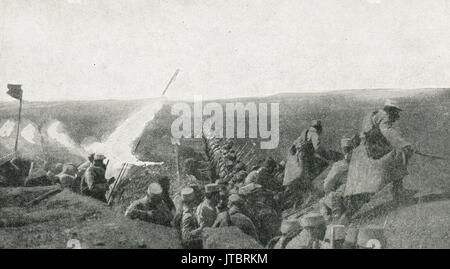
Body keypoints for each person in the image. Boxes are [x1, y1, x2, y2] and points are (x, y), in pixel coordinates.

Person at [344, 99, 415, 214]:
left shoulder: (373, 114)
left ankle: (398, 189)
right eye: (395, 111)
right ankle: (397, 191)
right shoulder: (384, 117)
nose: (396, 115)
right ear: (390, 110)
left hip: (363, 151)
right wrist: (405, 145)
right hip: (372, 151)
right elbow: (388, 132)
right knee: (401, 155)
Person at [283, 120, 331, 209]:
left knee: (300, 179)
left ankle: (299, 201)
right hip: (304, 159)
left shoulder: (303, 134)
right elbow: (318, 147)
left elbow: (292, 148)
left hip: (296, 160)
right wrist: (328, 156)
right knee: (307, 177)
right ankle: (308, 198)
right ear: (319, 128)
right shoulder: (314, 133)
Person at [320, 138, 353, 224]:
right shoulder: (359, 161)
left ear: (342, 150)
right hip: (358, 195)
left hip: (343, 198)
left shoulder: (339, 165)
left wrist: (329, 190)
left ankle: (329, 221)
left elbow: (327, 185)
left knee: (322, 201)